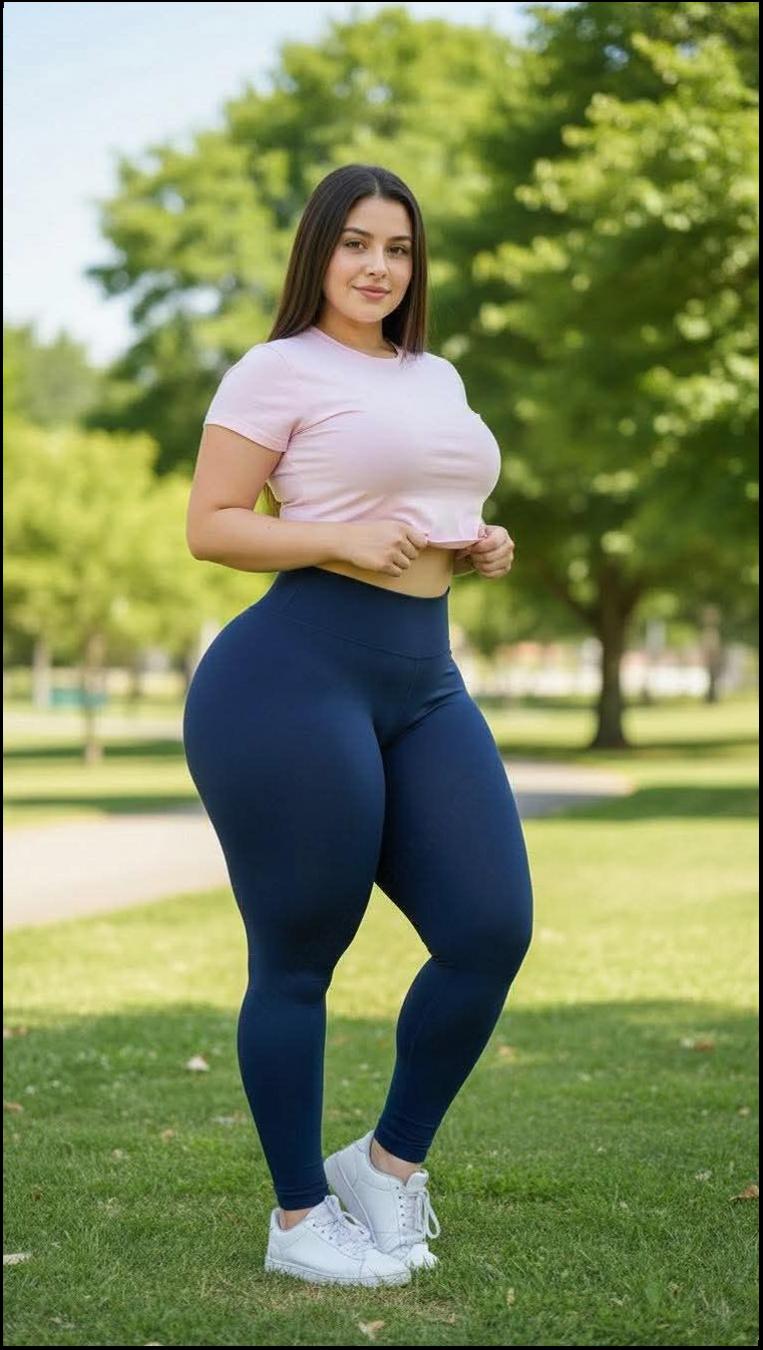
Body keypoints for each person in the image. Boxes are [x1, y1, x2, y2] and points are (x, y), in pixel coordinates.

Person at [182, 163, 534, 1288]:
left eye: (398, 247)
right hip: (291, 680)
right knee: (298, 955)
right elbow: (213, 525)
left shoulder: (436, 374)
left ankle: (383, 1165)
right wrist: (333, 541)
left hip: (422, 680)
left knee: (489, 929)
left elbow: (431, 503)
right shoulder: (275, 368)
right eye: (355, 244)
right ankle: (297, 1222)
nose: (378, 266)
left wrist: (479, 542)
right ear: (316, 253)